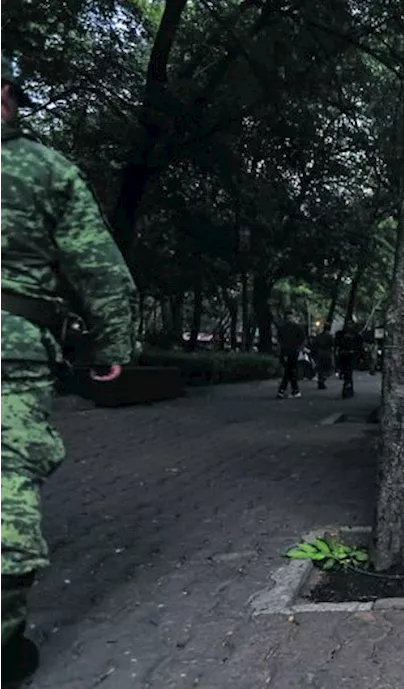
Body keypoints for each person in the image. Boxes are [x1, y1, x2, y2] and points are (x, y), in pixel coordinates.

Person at [0, 53, 139, 685]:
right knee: (5, 495)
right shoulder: (43, 169)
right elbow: (98, 267)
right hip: (10, 350)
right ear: (7, 93)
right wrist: (111, 346)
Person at [275, 314, 306, 399]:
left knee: (288, 371)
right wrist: (300, 349)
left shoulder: (282, 328)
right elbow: (303, 339)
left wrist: (279, 351)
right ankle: (294, 390)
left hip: (284, 352)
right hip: (293, 352)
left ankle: (283, 390)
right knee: (290, 371)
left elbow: (278, 341)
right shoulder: (297, 327)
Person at [334, 322, 362, 399]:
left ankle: (348, 389)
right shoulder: (340, 334)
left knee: (348, 373)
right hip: (343, 356)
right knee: (346, 373)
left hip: (350, 356)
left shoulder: (356, 335)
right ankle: (347, 389)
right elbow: (337, 344)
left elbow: (359, 346)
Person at [312, 323, 335, 390]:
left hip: (319, 352)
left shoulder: (319, 336)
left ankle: (320, 380)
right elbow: (333, 344)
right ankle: (322, 380)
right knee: (328, 368)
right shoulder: (330, 336)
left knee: (320, 368)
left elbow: (314, 344)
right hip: (327, 352)